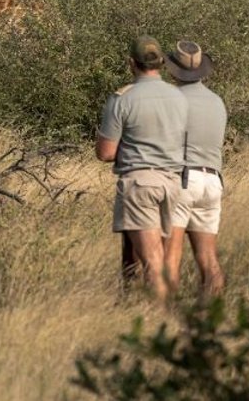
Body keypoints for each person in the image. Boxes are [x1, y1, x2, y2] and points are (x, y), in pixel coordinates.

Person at [95, 36, 188, 301]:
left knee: (152, 265)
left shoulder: (122, 98)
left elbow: (106, 152)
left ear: (130, 63)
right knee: (165, 262)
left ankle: (158, 322)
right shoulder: (179, 98)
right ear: (161, 62)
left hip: (140, 184)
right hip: (173, 184)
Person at [163, 40, 228, 298]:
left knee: (171, 255)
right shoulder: (217, 102)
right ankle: (212, 315)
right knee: (209, 258)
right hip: (212, 181)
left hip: (183, 178)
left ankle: (165, 315)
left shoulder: (172, 100)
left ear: (173, 70)